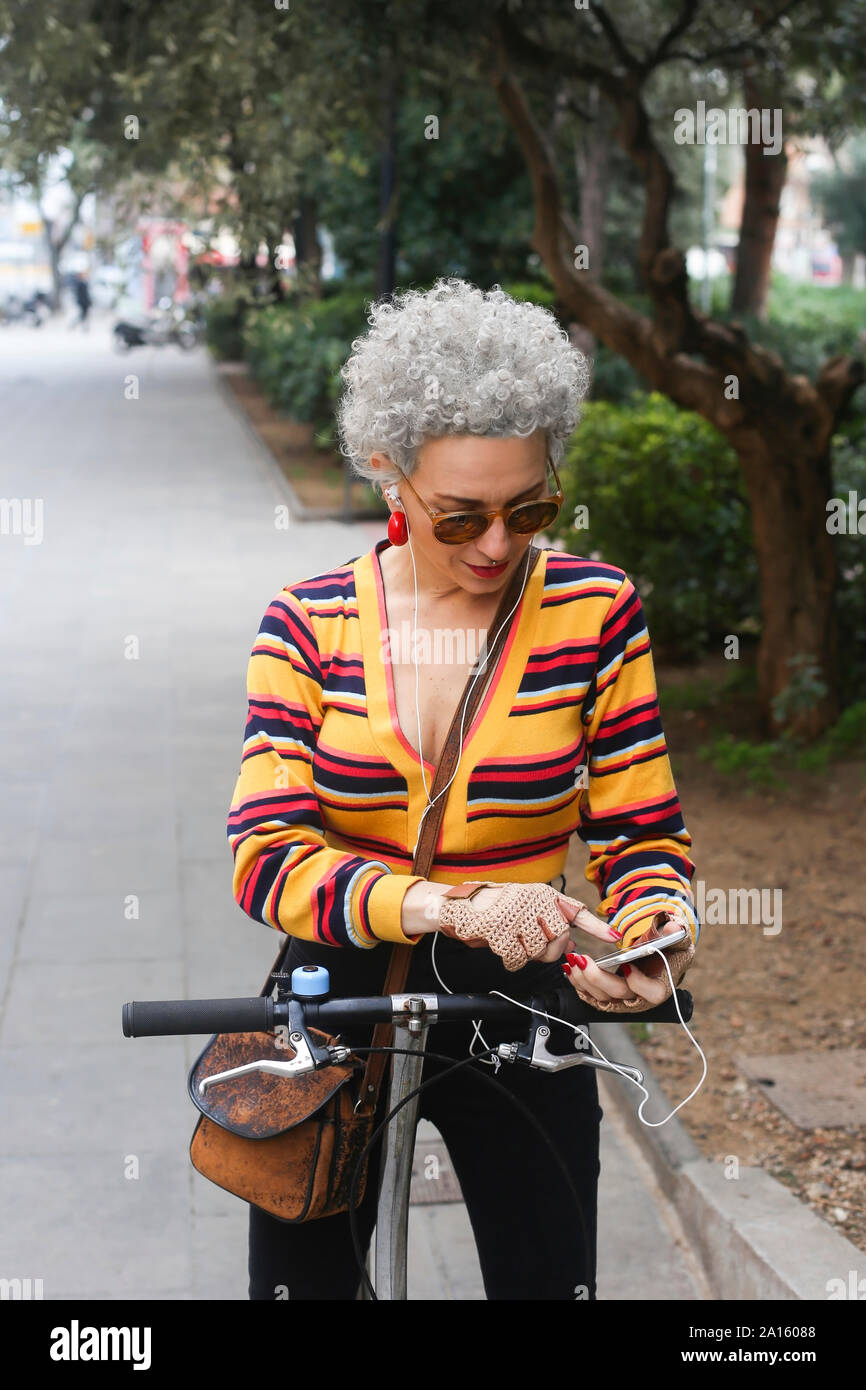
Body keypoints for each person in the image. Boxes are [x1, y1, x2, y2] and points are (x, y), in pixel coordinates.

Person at [227, 277, 700, 1301]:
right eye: (461, 515)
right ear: (387, 475)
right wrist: (452, 905)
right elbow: (266, 856)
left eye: (529, 507)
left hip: (520, 999)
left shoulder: (595, 611)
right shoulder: (308, 623)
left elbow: (640, 833)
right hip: (334, 996)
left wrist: (652, 933)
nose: (496, 543)